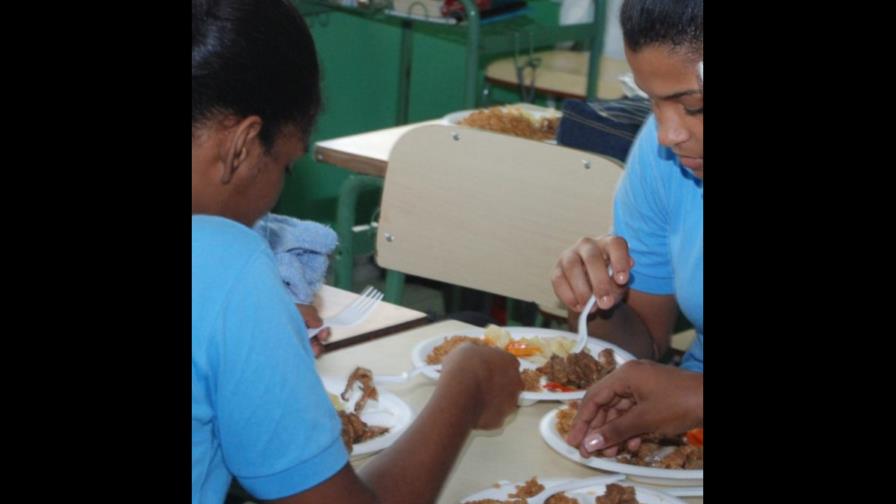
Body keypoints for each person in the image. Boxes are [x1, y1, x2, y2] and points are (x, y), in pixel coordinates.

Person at [191, 1, 523, 502]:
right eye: (287, 166)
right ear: (241, 145)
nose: (279, 190)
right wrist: (467, 388)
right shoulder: (227, 261)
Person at [550, 0, 703, 455]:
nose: (667, 135)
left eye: (693, 107)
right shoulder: (663, 161)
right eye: (652, 105)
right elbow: (646, 348)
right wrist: (600, 299)